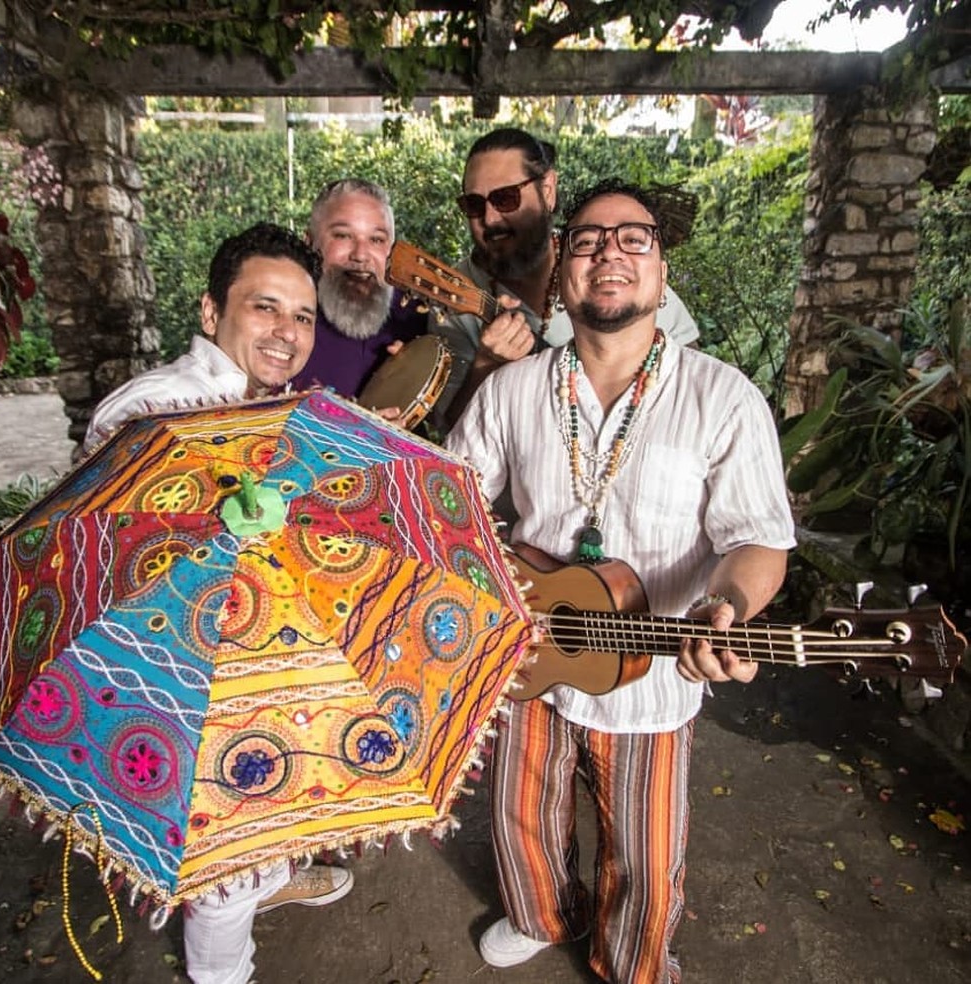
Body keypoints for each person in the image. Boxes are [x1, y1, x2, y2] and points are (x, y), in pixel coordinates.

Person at [445, 179, 795, 983]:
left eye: (632, 239)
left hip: (650, 670)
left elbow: (759, 541)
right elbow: (449, 504)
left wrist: (729, 605)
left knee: (643, 845)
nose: (609, 254)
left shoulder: (723, 398)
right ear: (562, 272)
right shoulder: (512, 389)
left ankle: (631, 962)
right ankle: (541, 913)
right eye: (589, 241)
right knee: (518, 815)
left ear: (663, 274)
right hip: (528, 649)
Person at [84, 223, 354, 984]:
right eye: (265, 308)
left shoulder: (269, 406)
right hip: (178, 673)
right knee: (221, 856)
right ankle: (222, 963)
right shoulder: (157, 409)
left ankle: (270, 873)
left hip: (247, 651)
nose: (288, 333)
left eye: (303, 317)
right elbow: (120, 557)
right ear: (211, 314)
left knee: (275, 784)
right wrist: (214, 523)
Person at [431, 127, 699, 427]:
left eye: (505, 199)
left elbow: (695, 381)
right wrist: (485, 365)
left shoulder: (597, 263)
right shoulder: (451, 297)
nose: (490, 219)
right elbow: (450, 434)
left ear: (547, 190)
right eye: (474, 205)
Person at [291, 178, 427, 399]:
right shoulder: (282, 321)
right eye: (343, 236)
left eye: (376, 239)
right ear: (310, 243)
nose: (361, 255)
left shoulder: (416, 317)